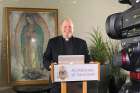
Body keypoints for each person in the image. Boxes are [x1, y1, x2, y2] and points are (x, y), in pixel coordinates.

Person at [43, 18, 90, 93]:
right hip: (57, 82)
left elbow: (87, 60)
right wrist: (50, 66)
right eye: (65, 27)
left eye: (70, 27)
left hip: (76, 82)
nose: (68, 29)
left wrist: (89, 64)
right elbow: (45, 58)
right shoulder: (52, 42)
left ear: (73, 29)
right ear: (61, 28)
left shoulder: (82, 43)